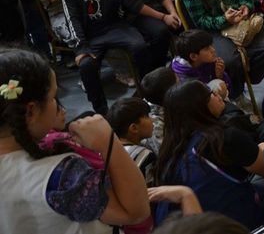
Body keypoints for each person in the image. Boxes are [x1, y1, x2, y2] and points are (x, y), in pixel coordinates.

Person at [0, 48, 151, 233]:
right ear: (31, 111)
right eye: (54, 97)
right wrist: (108, 141)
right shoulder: (62, 176)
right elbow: (135, 213)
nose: (58, 105)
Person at [153, 80, 264, 229]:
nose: (217, 94)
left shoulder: (168, 150)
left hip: (188, 227)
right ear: (200, 107)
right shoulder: (223, 138)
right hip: (232, 224)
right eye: (210, 93)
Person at [62, 0, 151, 113]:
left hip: (114, 28)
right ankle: (101, 109)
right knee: (87, 65)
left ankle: (146, 93)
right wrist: (81, 47)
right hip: (91, 35)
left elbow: (119, 14)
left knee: (139, 46)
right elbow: (72, 20)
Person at [105, 97, 158, 186]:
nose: (153, 119)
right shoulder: (145, 156)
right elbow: (152, 190)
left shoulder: (108, 150)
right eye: (147, 116)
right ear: (134, 128)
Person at [171, 29, 233, 98]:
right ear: (194, 56)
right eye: (207, 49)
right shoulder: (183, 78)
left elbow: (228, 89)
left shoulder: (209, 61)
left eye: (211, 45)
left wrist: (220, 75)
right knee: (217, 85)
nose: (213, 50)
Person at [137, 67, 178, 153]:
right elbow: (165, 154)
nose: (182, 83)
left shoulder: (154, 97)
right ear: (171, 94)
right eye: (178, 83)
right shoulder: (154, 125)